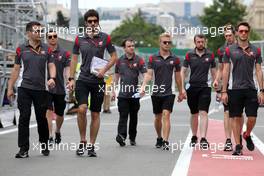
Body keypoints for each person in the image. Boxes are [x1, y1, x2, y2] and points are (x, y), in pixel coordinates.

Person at [68, 9, 117, 157]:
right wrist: (71, 79)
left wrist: (104, 69)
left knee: (95, 113)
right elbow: (74, 59)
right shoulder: (79, 39)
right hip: (83, 79)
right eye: (90, 21)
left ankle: (91, 145)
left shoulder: (105, 38)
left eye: (95, 21)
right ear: (86, 23)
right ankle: (82, 141)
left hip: (99, 81)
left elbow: (114, 57)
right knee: (82, 109)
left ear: (98, 22)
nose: (93, 23)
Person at [7, 21, 56, 158]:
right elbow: (16, 69)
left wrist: (52, 78)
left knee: (41, 118)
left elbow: (51, 65)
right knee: (24, 117)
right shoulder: (21, 49)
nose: (40, 33)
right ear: (28, 33)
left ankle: (44, 144)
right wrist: (10, 87)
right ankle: (23, 149)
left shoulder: (47, 49)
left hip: (41, 89)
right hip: (24, 88)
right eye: (36, 31)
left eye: (41, 31)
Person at [222, 22, 264, 155]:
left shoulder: (256, 50)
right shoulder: (229, 50)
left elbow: (258, 71)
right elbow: (226, 70)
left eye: (246, 31)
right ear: (237, 33)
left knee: (252, 117)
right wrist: (223, 91)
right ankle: (238, 146)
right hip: (234, 89)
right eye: (241, 31)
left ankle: (247, 134)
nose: (243, 33)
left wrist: (262, 90)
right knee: (235, 117)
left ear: (249, 32)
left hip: (251, 88)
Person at [140, 33, 185, 150]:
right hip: (156, 92)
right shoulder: (153, 58)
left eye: (169, 42)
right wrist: (144, 86)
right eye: (164, 42)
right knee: (158, 117)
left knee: (166, 114)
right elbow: (149, 74)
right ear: (160, 43)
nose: (167, 44)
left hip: (169, 93)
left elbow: (178, 77)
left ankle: (165, 140)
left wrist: (181, 92)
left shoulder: (175, 59)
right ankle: (159, 137)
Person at [181, 34, 216, 149]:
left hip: (205, 87)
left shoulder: (210, 55)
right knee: (194, 113)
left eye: (202, 41)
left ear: (205, 42)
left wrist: (217, 87)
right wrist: (182, 88)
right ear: (195, 42)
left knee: (203, 112)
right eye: (198, 42)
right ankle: (194, 136)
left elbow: (214, 72)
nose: (200, 43)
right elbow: (183, 72)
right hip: (192, 87)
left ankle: (203, 138)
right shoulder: (189, 55)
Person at [112, 38, 147, 146]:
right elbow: (116, 77)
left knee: (133, 116)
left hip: (134, 94)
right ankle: (121, 136)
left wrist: (143, 87)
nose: (132, 47)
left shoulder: (139, 60)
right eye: (129, 46)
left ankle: (132, 137)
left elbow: (145, 75)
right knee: (123, 115)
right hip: (122, 95)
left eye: (133, 45)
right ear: (124, 48)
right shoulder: (119, 61)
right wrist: (113, 90)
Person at [213, 24, 237, 151]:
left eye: (230, 35)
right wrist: (217, 79)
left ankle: (238, 139)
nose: (228, 38)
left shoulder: (243, 47)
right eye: (226, 36)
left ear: (235, 34)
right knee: (227, 112)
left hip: (241, 84)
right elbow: (221, 68)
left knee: (238, 114)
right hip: (227, 85)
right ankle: (228, 140)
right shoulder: (222, 50)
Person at [46, 30, 71, 145]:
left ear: (57, 38)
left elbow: (67, 70)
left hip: (60, 88)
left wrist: (69, 81)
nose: (52, 38)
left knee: (60, 114)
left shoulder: (65, 53)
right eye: (50, 37)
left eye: (54, 36)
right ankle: (50, 135)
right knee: (48, 111)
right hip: (46, 88)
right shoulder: (43, 52)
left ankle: (57, 131)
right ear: (46, 39)